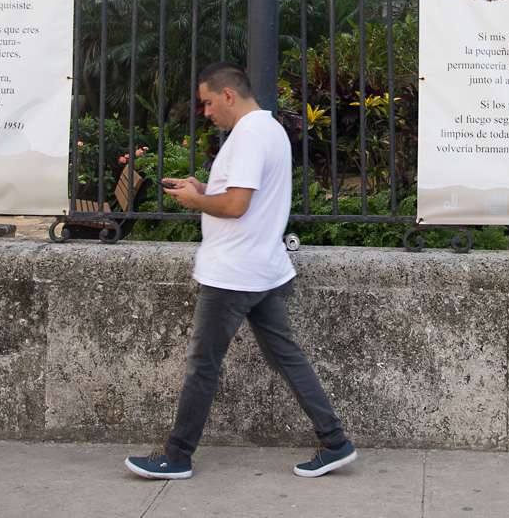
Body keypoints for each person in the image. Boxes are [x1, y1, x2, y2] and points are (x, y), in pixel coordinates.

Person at [123, 62, 356, 481]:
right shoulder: (270, 131)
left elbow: (236, 206)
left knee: (202, 365)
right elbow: (239, 196)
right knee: (287, 357)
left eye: (208, 103)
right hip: (262, 267)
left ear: (229, 95)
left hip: (233, 273)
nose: (206, 112)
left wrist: (196, 202)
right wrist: (202, 189)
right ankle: (335, 441)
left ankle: (177, 456)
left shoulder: (248, 136)